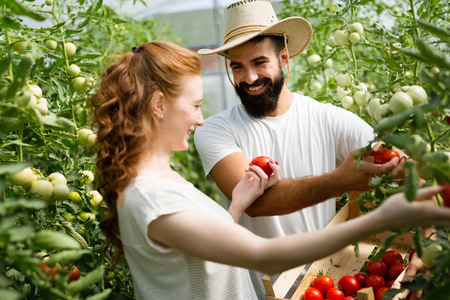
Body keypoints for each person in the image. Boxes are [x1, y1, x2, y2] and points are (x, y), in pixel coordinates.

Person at [90, 41, 450, 300]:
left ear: (283, 58)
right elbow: (263, 255)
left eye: (259, 62)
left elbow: (197, 247)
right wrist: (376, 218)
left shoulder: (162, 182)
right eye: (196, 105)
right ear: (158, 105)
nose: (201, 119)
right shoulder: (153, 196)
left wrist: (236, 205)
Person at [193, 1, 412, 297]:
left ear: (283, 58)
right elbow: (255, 203)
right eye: (237, 67)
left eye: (259, 62)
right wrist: (341, 180)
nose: (249, 78)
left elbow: (398, 165)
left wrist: (426, 238)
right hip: (258, 291)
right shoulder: (216, 129)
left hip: (323, 282)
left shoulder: (329, 119)